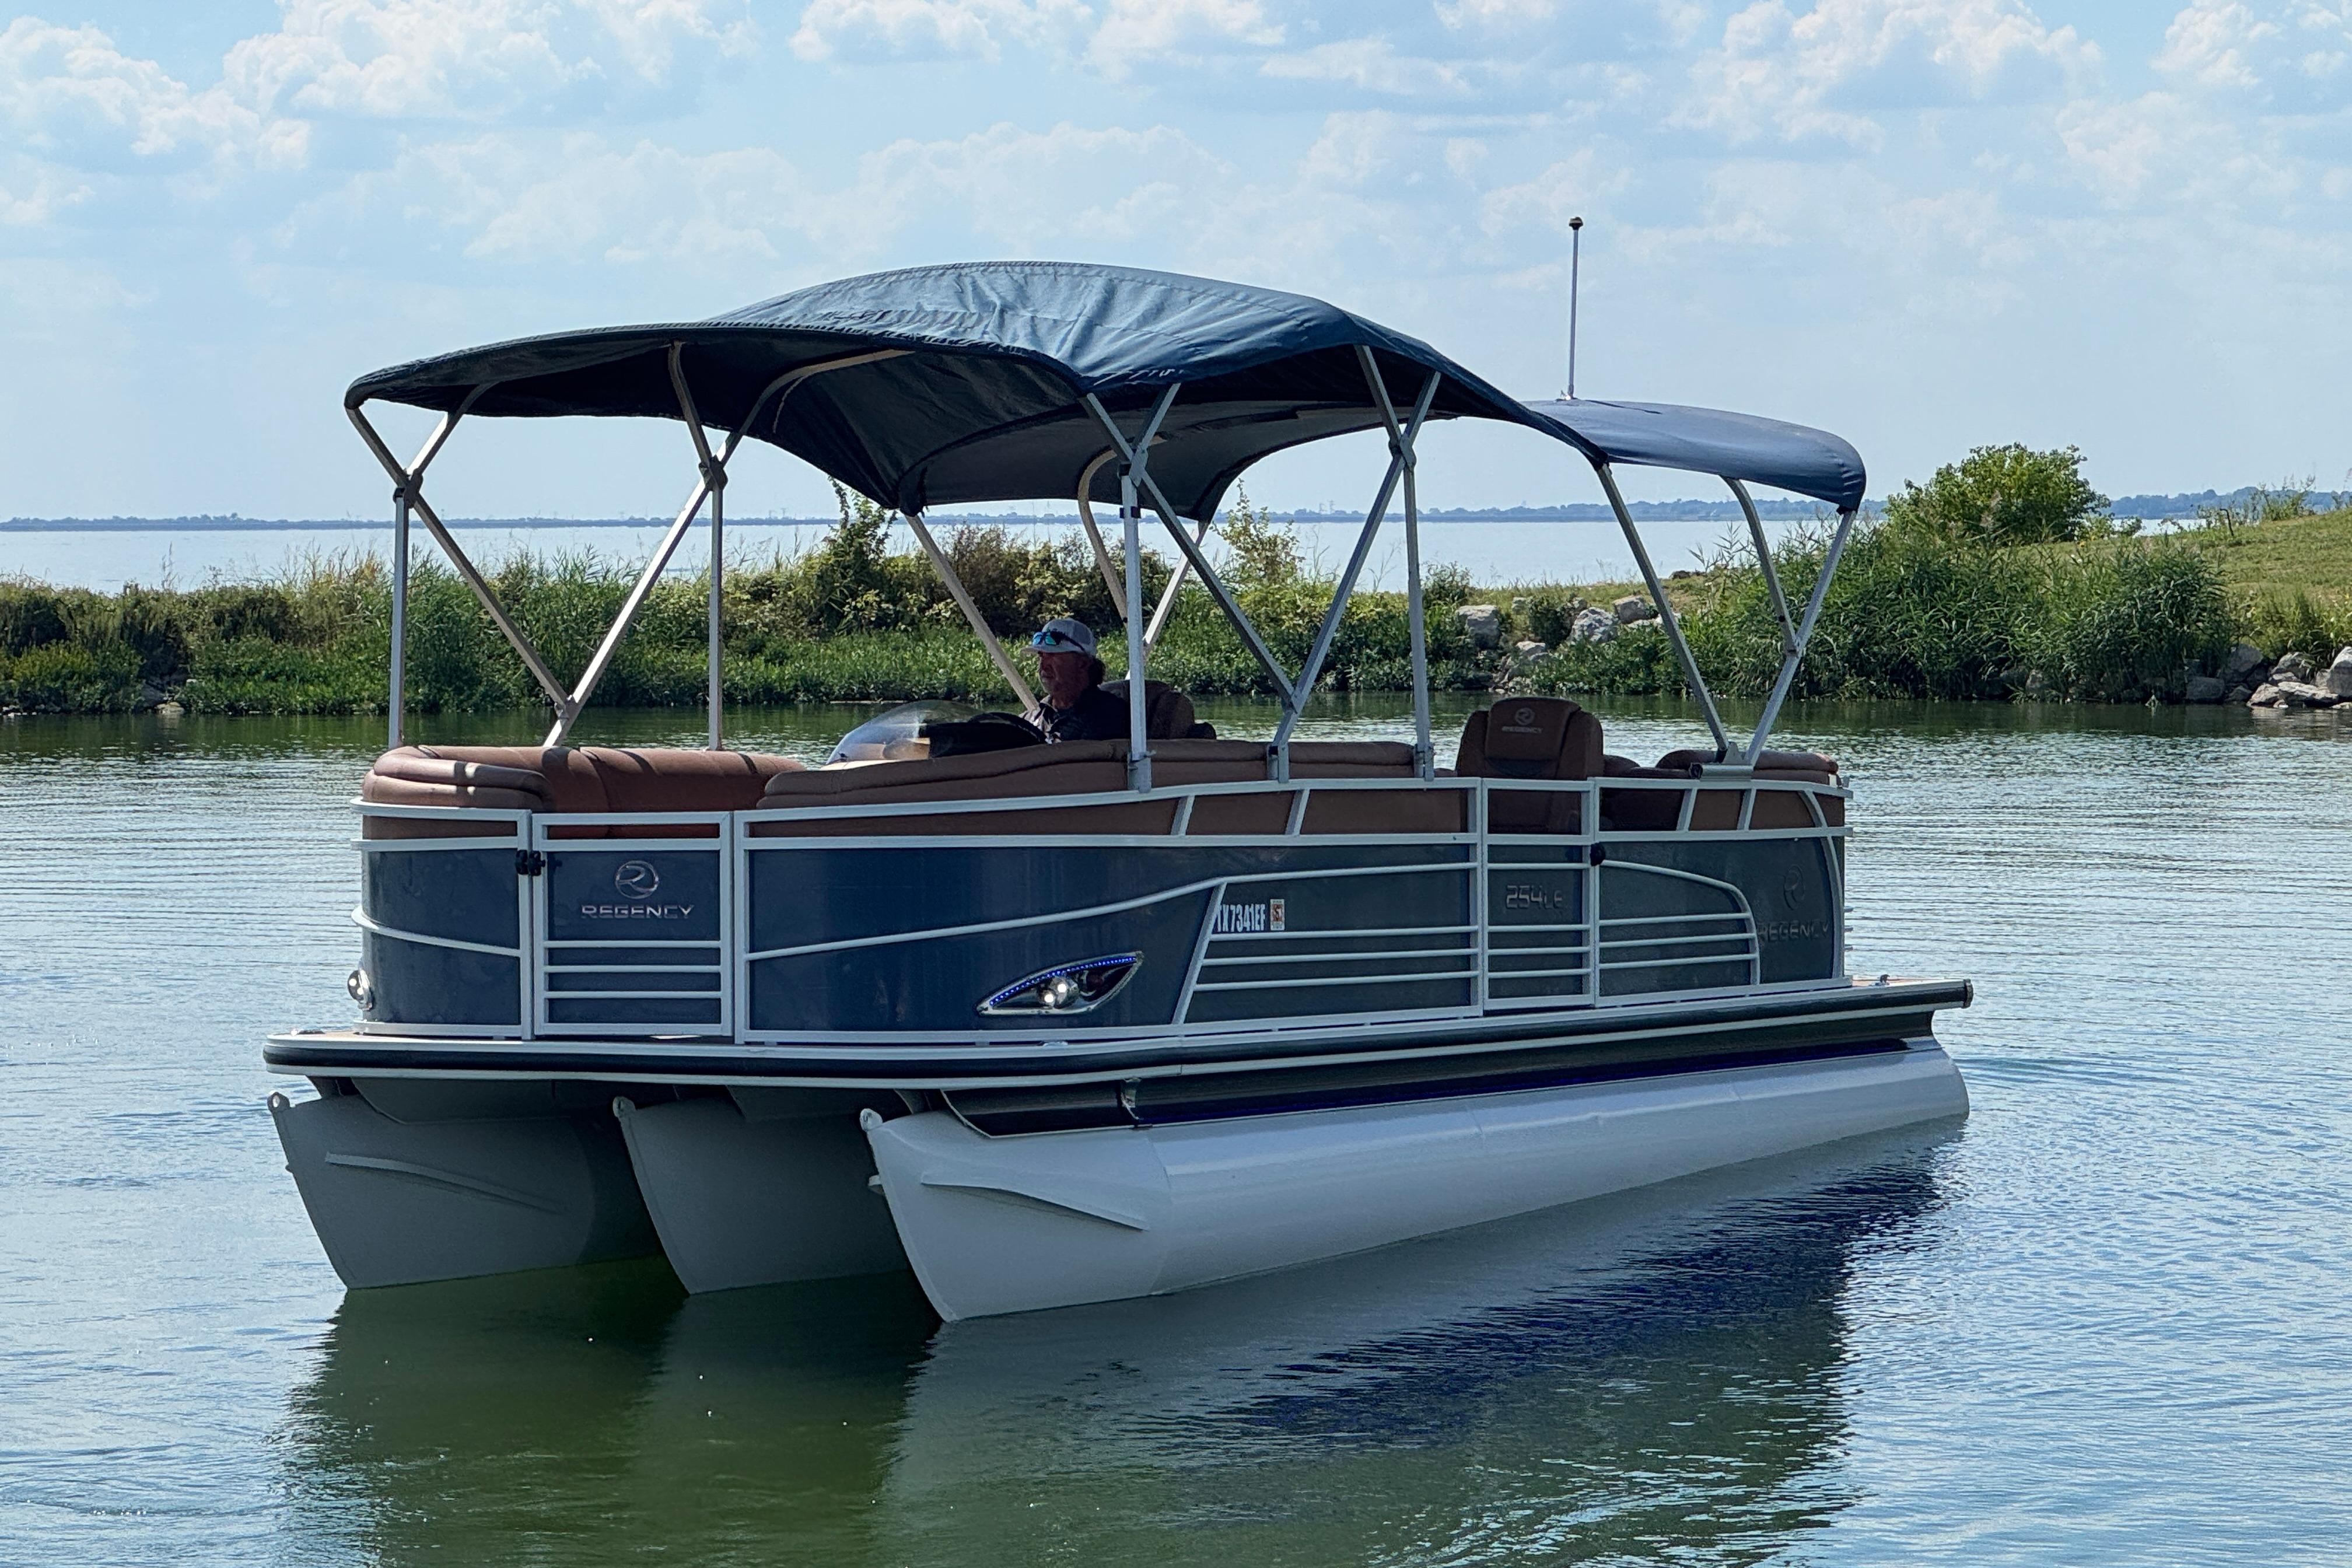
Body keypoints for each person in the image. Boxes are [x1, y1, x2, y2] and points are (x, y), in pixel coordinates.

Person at [1022, 617, 1129, 743]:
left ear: (1083, 664)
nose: (1043, 666)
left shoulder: (1110, 714)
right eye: (1041, 656)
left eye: (1052, 656)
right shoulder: (1034, 717)